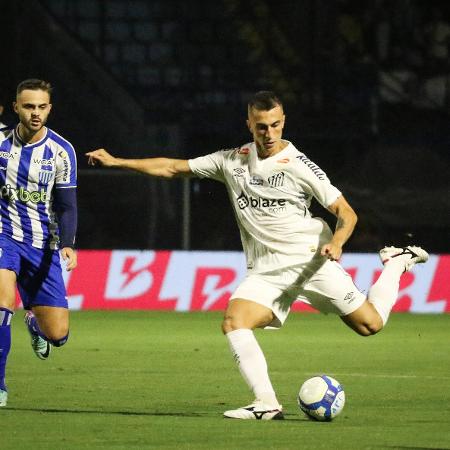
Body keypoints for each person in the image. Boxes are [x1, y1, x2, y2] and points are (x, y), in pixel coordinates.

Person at [86, 91, 428, 420]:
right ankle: (265, 402)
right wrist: (118, 161)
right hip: (267, 270)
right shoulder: (231, 160)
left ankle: (397, 262)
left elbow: (346, 212)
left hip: (311, 262)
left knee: (371, 325)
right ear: (249, 123)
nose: (269, 133)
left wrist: (337, 243)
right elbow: (173, 168)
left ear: (284, 122)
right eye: (262, 126)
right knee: (235, 322)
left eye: (276, 125)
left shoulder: (298, 165)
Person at [0, 79, 78, 407]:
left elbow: (66, 205)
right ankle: (0, 385)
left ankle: (34, 322)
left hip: (42, 245)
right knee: (2, 305)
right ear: (16, 107)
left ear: (49, 108)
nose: (35, 113)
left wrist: (69, 243)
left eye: (41, 107)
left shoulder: (61, 151)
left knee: (58, 335)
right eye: (28, 106)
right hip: (3, 236)